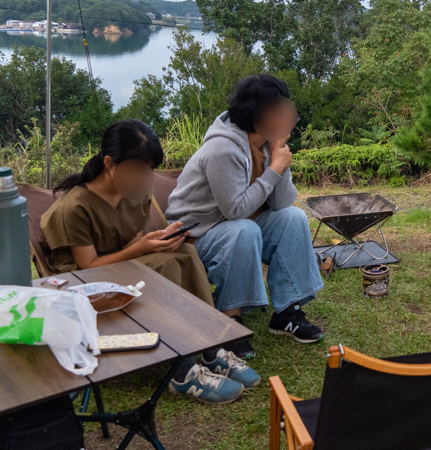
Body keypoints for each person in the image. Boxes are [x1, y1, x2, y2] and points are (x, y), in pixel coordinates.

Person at [42, 119, 259, 405]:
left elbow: (131, 242)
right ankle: (179, 369)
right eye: (139, 169)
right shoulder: (75, 207)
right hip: (82, 285)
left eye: (149, 170)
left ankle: (209, 344)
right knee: (166, 265)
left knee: (185, 253)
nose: (146, 178)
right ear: (109, 163)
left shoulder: (135, 193)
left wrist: (158, 239)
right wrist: (143, 247)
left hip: (119, 269)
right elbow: (88, 266)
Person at [165, 74, 324, 359]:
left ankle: (287, 311)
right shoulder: (222, 148)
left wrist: (279, 161)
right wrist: (274, 170)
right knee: (243, 230)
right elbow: (235, 210)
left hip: (235, 224)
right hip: (194, 234)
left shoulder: (266, 142)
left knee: (293, 218)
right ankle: (229, 320)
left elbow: (281, 202)